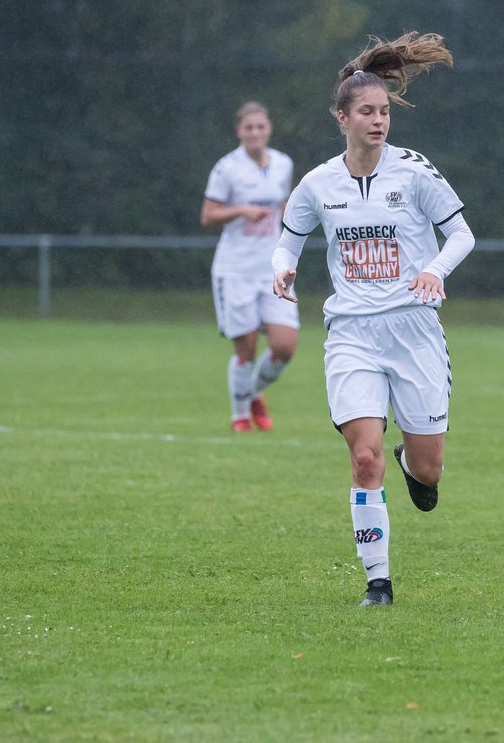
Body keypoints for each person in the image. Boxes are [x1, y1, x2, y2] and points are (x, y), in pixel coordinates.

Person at [271, 32, 475, 607]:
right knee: (364, 459)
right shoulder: (318, 184)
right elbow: (288, 242)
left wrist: (434, 271)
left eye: (384, 111)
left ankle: (414, 460)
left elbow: (462, 233)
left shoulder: (413, 173)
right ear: (343, 118)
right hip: (353, 335)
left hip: (413, 331)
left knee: (430, 470)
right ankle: (378, 585)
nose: (379, 120)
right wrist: (282, 269)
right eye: (367, 111)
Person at [201, 102, 299, 431]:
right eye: (248, 128)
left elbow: (284, 206)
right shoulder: (227, 168)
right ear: (239, 131)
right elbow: (208, 215)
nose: (255, 133)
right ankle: (240, 416)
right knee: (246, 349)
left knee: (284, 346)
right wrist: (241, 209)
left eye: (260, 127)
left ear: (268, 129)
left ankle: (252, 392)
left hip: (273, 268)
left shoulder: (283, 163)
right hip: (235, 270)